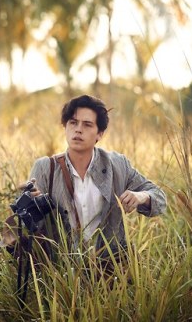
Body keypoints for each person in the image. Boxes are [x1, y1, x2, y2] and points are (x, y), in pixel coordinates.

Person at [24, 94, 166, 271]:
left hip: (109, 271)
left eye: (87, 124)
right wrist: (30, 203)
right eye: (73, 123)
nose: (78, 130)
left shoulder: (117, 165)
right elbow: (28, 226)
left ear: (100, 133)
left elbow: (160, 199)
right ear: (65, 128)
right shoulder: (46, 168)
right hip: (60, 272)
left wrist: (141, 196)